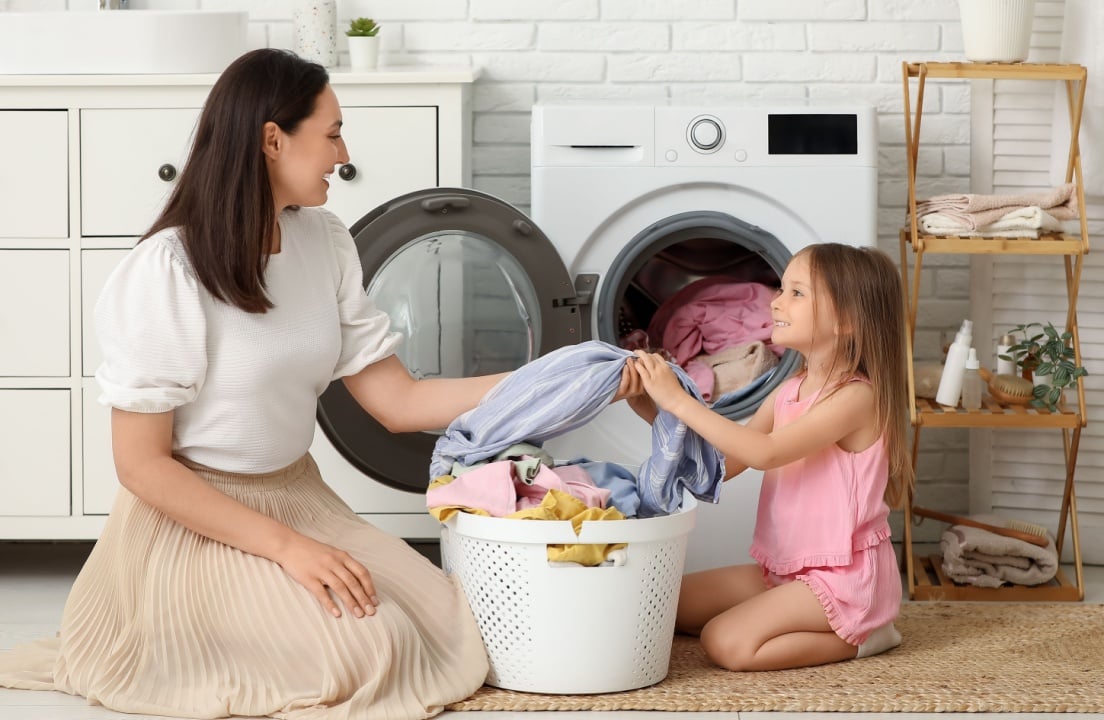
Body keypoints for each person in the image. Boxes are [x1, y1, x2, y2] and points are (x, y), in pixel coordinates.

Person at [0, 48, 642, 719]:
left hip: (298, 497)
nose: (343, 151)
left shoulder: (325, 241)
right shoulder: (166, 271)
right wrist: (289, 550)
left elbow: (400, 402)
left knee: (456, 619)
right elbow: (141, 466)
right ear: (272, 139)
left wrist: (557, 378)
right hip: (195, 523)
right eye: (331, 131)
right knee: (370, 651)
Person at [629, 243, 913, 671]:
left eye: (797, 293)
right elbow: (729, 461)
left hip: (843, 580)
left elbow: (766, 453)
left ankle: (867, 637)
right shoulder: (789, 389)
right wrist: (651, 407)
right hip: (785, 572)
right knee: (660, 602)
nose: (775, 301)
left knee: (725, 642)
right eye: (782, 289)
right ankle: (785, 609)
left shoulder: (857, 397)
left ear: (848, 320)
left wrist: (680, 402)